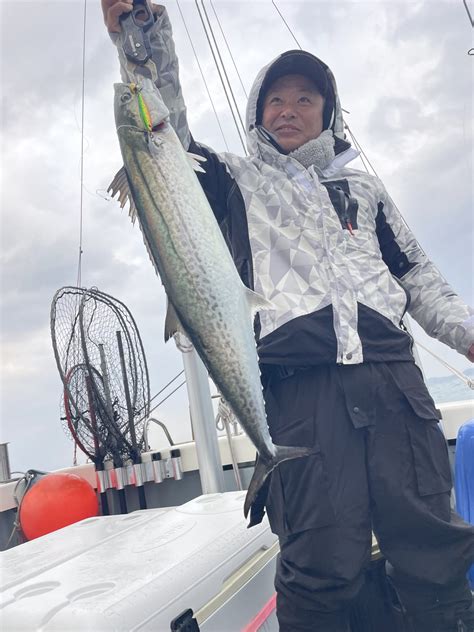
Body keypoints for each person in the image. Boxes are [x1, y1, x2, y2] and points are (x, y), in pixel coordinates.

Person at [102, 2, 474, 630]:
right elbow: (165, 133)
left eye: (306, 99)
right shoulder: (231, 179)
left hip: (395, 388)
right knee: (320, 564)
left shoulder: (366, 192)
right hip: (302, 396)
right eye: (276, 99)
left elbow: (418, 278)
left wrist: (466, 334)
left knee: (432, 546)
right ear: (258, 112)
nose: (290, 109)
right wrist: (140, 34)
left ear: (327, 113)